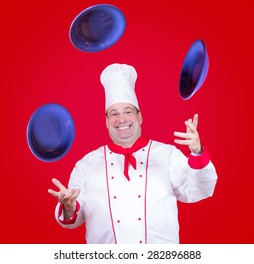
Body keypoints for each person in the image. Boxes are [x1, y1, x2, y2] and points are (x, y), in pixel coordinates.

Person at [48, 63, 217, 244]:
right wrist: (68, 206)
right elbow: (74, 216)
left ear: (140, 117)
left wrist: (197, 152)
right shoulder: (86, 165)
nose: (121, 119)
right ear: (106, 121)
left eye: (128, 111)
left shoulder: (167, 155)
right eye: (114, 114)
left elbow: (200, 190)